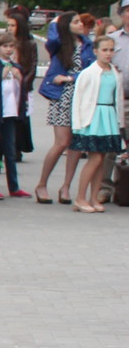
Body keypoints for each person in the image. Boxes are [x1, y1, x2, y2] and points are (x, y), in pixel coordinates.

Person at [32, 16, 83, 204]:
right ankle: (42, 184)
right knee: (62, 142)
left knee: (77, 144)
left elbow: (91, 69)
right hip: (63, 97)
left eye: (81, 21)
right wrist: (55, 23)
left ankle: (66, 186)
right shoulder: (59, 45)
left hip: (82, 97)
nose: (81, 24)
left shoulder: (87, 43)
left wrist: (71, 78)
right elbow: (51, 40)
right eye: (75, 21)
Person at [69, 33, 120, 213]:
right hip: (93, 117)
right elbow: (78, 99)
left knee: (103, 158)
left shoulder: (113, 71)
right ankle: (80, 198)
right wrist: (78, 123)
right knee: (95, 158)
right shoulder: (89, 73)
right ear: (96, 51)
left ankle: (93, 197)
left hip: (108, 115)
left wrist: (118, 121)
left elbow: (117, 98)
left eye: (111, 50)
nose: (108, 53)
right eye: (104, 50)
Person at [0, 32, 29, 200]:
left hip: (11, 113)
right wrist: (0, 77)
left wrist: (19, 78)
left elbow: (21, 92)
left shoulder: (17, 67)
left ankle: (14, 186)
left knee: (10, 150)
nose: (9, 50)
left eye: (11, 46)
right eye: (5, 46)